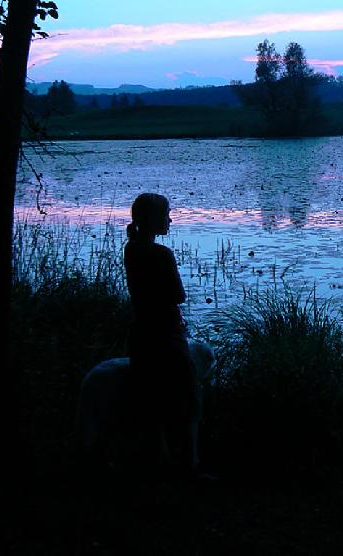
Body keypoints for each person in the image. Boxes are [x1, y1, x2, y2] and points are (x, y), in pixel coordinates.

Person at [123, 193, 198, 474]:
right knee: (188, 395)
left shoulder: (131, 248)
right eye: (166, 214)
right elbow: (178, 295)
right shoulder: (161, 254)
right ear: (152, 219)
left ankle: (160, 461)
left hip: (141, 331)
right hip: (166, 332)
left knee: (151, 400)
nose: (170, 219)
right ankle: (190, 463)